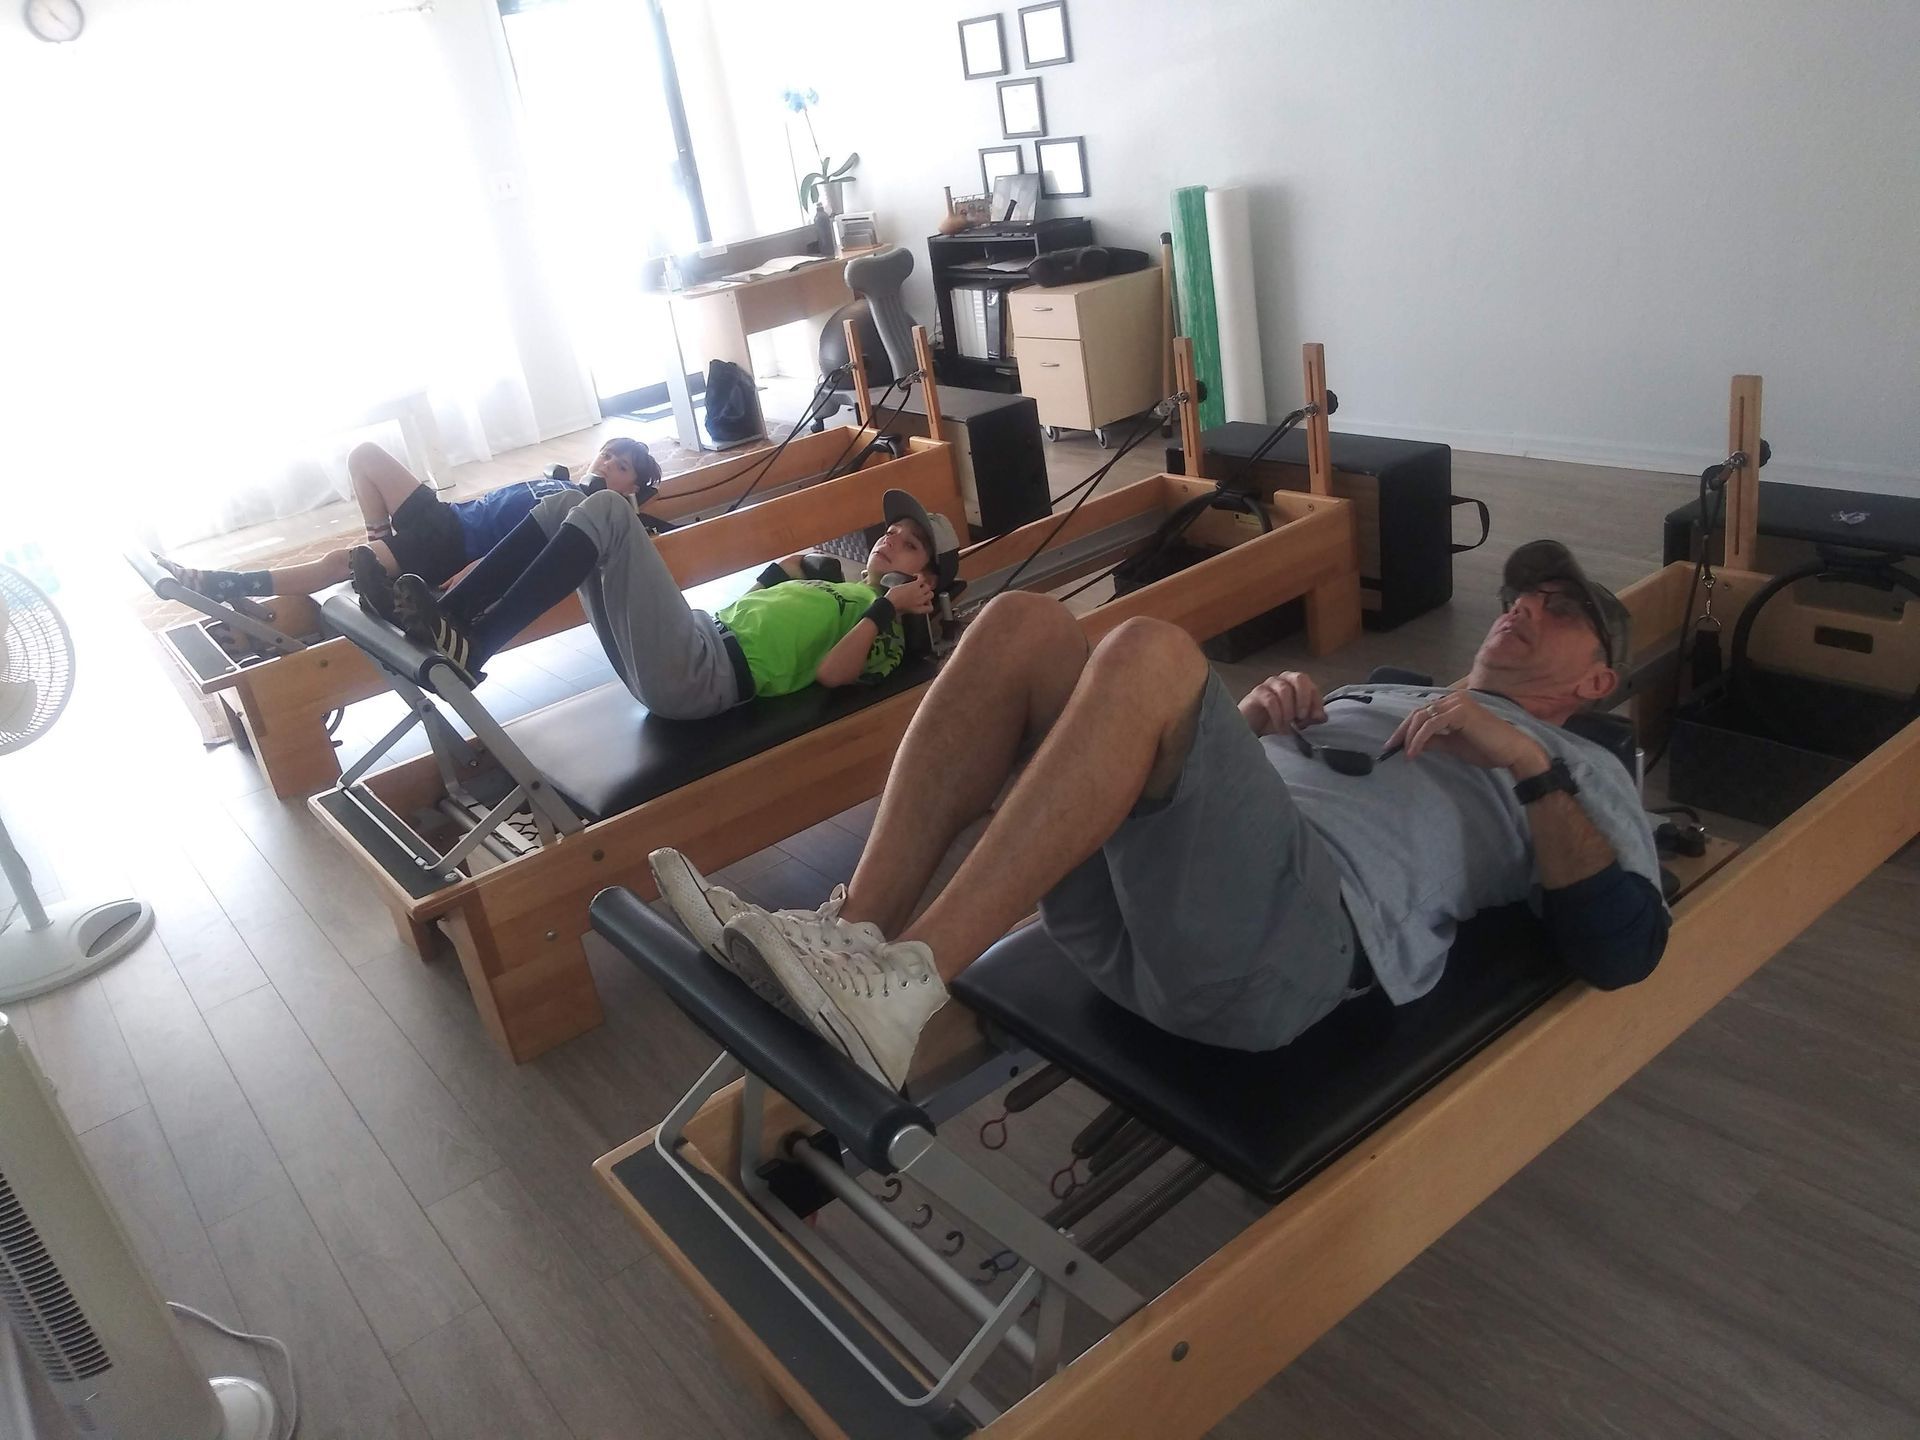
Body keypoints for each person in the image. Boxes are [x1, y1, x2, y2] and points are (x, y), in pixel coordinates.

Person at [651, 539, 1668, 1090]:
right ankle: (848, 939)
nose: (1524, 606)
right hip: (1161, 914)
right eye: (1524, 592)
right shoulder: (1394, 690)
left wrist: (1528, 761)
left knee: (1147, 649)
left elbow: (1624, 951)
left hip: (1290, 952)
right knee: (1021, 626)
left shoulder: (1584, 767)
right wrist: (1256, 732)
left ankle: (907, 988)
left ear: (1597, 678)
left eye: (1560, 607)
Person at [379, 485, 961, 720]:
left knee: (608, 507)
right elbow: (763, 597)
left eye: (910, 546)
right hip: (696, 640)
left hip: (702, 674)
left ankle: (475, 643)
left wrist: (889, 608)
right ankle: (452, 614)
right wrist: (802, 573)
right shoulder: (841, 585)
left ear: (926, 582)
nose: (890, 539)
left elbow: (836, 674)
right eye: (891, 531)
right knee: (564, 504)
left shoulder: (880, 627)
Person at [152, 437, 659, 603]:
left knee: (338, 563)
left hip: (451, 548)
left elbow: (530, 549)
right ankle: (381, 548)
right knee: (365, 456)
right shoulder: (563, 482)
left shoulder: (590, 511)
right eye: (607, 454)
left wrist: (474, 572)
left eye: (621, 467)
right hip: (446, 517)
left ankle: (222, 584)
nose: (606, 463)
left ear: (631, 488)